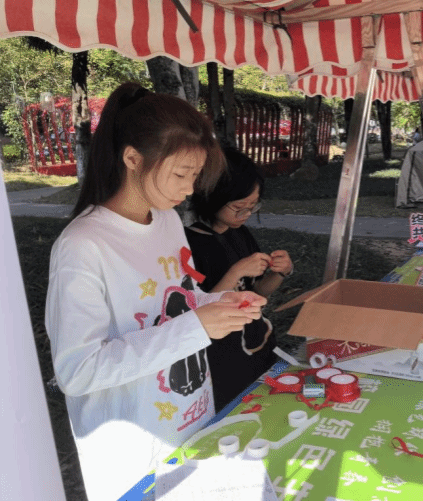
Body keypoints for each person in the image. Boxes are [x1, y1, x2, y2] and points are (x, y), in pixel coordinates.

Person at [44, 83, 266, 501]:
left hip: (191, 418)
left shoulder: (166, 221)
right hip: (132, 448)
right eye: (181, 174)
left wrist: (221, 303)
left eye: (195, 175)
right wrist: (197, 327)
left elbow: (178, 299)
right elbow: (78, 371)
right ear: (132, 159)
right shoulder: (83, 246)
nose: (190, 189)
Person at [185, 148, 293, 412]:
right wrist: (236, 272)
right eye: (238, 207)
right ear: (212, 196)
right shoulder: (191, 244)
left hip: (256, 346)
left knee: (267, 407)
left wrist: (279, 272)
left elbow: (259, 295)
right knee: (235, 412)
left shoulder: (240, 234)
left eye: (252, 206)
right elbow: (198, 311)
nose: (246, 214)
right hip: (222, 360)